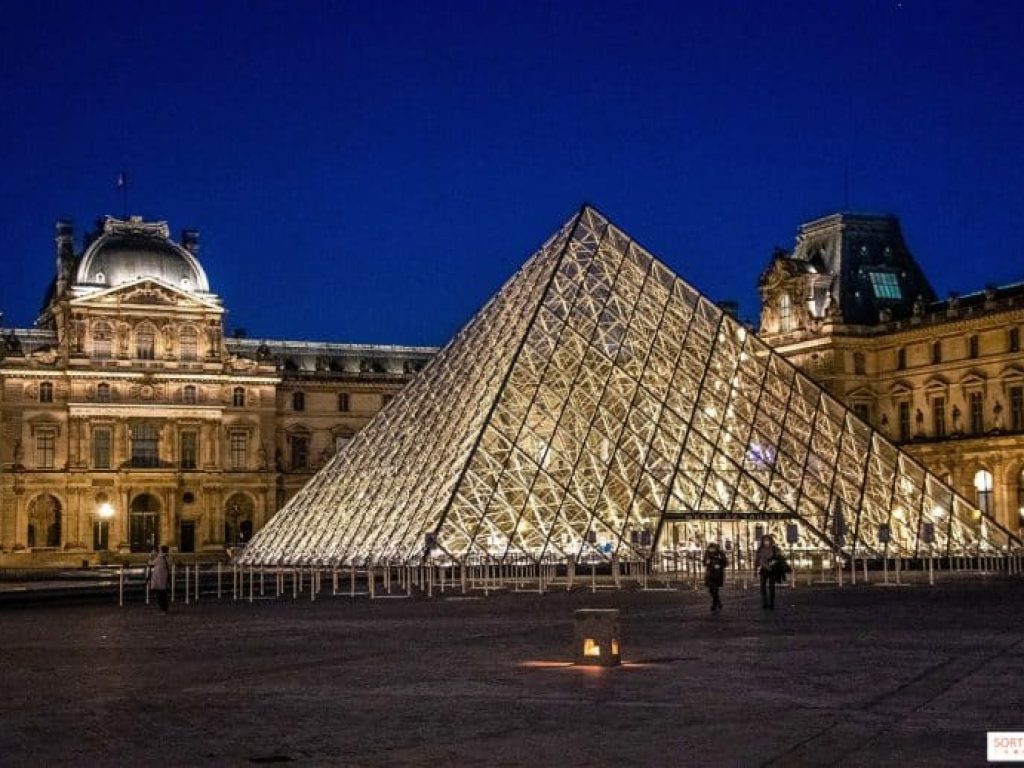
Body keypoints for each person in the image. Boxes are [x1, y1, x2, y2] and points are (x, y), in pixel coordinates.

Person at [754, 534, 782, 610]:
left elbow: (779, 558)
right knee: (762, 587)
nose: (766, 542)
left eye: (767, 540)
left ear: (770, 541)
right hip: (763, 570)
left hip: (772, 570)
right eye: (765, 540)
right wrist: (755, 570)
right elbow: (757, 560)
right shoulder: (760, 549)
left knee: (771, 587)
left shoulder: (774, 549)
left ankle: (771, 603)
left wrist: (774, 562)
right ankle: (765, 602)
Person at [703, 542, 728, 612]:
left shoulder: (720, 553)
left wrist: (720, 565)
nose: (712, 550)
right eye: (710, 548)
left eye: (713, 548)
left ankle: (714, 605)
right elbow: (704, 562)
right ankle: (718, 602)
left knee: (716, 589)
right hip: (710, 573)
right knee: (711, 590)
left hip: (717, 574)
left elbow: (725, 563)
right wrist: (707, 562)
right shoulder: (707, 553)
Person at [148, 545, 172, 613]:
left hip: (158, 578)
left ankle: (163, 608)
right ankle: (165, 608)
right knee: (163, 593)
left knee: (160, 594)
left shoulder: (159, 558)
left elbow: (151, 563)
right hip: (165, 577)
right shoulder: (168, 558)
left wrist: (151, 556)